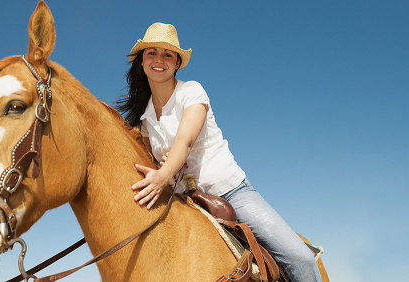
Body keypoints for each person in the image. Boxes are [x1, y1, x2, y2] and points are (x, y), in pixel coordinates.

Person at [117, 22, 322, 282]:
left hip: (230, 192)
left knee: (299, 258)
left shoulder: (192, 91)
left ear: (177, 63)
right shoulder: (144, 118)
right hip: (184, 203)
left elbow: (185, 141)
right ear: (142, 61)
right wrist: (160, 171)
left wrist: (163, 173)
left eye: (168, 54)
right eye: (152, 53)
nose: (159, 60)